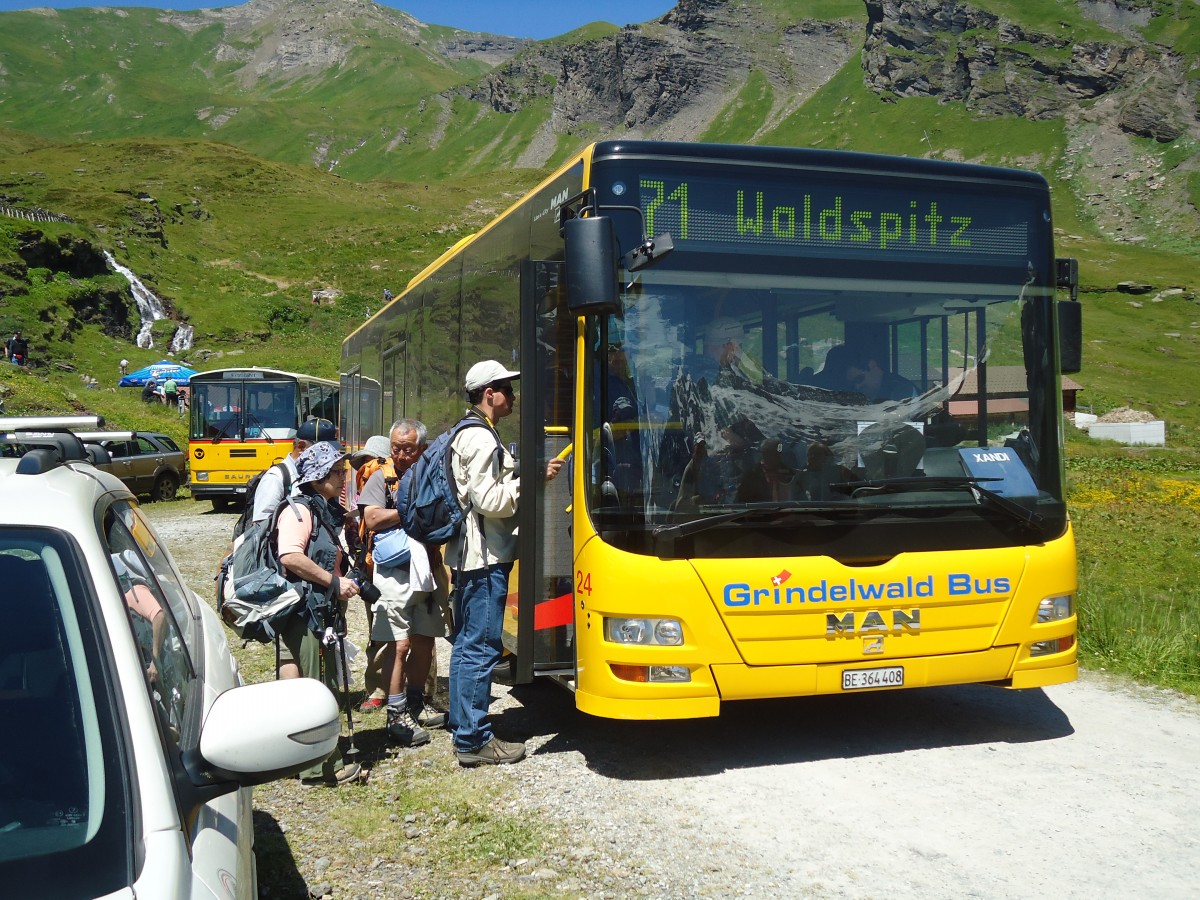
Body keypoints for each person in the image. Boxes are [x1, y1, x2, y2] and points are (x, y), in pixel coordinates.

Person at [447, 359, 563, 767]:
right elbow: (490, 501)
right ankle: (474, 741)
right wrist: (530, 483)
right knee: (482, 646)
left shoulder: (469, 432)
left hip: (468, 556)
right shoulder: (480, 438)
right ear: (488, 393)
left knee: (466, 645)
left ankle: (463, 726)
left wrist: (531, 472)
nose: (513, 396)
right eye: (506, 388)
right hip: (484, 557)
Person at [276, 440, 363, 787]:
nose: (344, 478)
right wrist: (334, 582)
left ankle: (307, 759)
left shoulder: (321, 508)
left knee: (318, 682)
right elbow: (290, 556)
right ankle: (321, 768)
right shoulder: (298, 511)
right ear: (317, 477)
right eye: (337, 472)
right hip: (305, 612)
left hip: (319, 608)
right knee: (317, 687)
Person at [361, 420, 448, 747]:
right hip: (394, 572)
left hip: (427, 568)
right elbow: (371, 519)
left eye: (407, 449)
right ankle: (396, 716)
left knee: (425, 638)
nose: (399, 454)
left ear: (422, 449)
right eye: (395, 448)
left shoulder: (434, 475)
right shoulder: (380, 477)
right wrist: (411, 511)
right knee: (398, 645)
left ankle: (415, 704)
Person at [348, 434, 393, 712]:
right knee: (378, 626)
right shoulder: (368, 486)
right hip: (371, 566)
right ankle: (379, 687)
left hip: (390, 563)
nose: (365, 469)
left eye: (371, 461)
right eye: (363, 463)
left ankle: (409, 689)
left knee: (404, 629)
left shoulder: (399, 482)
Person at [251, 417, 337, 526]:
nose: (329, 456)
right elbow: (261, 524)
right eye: (323, 450)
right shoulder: (276, 477)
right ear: (301, 447)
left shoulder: (322, 475)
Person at [818, 343, 917, 402]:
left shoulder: (902, 391)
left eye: (859, 379)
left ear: (872, 365)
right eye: (852, 383)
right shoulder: (861, 398)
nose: (857, 387)